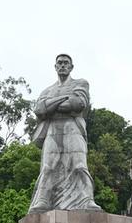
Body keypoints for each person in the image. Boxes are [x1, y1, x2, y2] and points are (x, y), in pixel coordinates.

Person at [28, 54, 101, 213]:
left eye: (66, 63)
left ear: (71, 67)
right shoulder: (47, 90)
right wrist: (63, 98)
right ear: (55, 67)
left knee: (80, 165)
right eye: (59, 63)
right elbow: (40, 110)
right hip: (52, 129)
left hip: (72, 127)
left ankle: (87, 200)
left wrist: (51, 106)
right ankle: (43, 200)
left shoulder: (80, 83)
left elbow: (78, 104)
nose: (62, 65)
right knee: (48, 167)